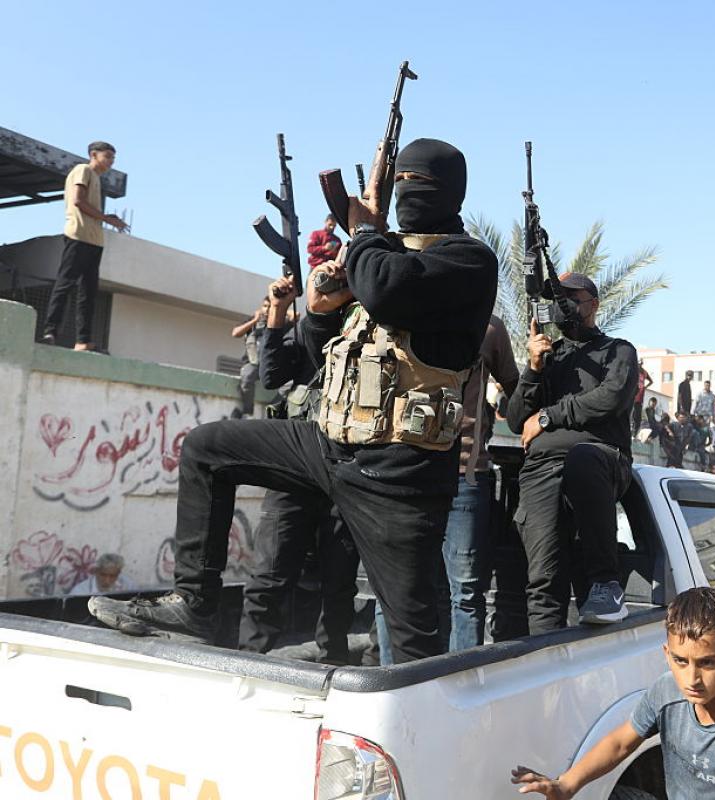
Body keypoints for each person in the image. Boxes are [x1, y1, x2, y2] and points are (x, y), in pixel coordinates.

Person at [88, 138, 498, 664]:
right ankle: (194, 603)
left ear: (451, 192)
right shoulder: (384, 255)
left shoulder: (466, 260)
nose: (404, 192)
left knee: (413, 638)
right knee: (207, 448)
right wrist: (322, 310)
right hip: (329, 445)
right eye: (398, 181)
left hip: (399, 474)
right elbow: (310, 358)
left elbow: (388, 288)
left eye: (416, 183)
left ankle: (425, 710)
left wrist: (365, 234)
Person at [511, 587, 715, 800]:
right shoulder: (665, 693)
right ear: (667, 654)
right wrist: (566, 785)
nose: (692, 678)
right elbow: (620, 742)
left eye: (707, 663)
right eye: (680, 661)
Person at [235, 273, 361, 665]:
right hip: (294, 469)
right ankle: (249, 662)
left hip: (343, 469)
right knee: (270, 572)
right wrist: (277, 310)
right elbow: (272, 375)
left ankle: (333, 660)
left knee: (339, 580)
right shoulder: (309, 327)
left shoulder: (368, 329)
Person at [507, 272, 639, 632]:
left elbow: (610, 397)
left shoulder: (618, 350)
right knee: (544, 581)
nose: (561, 307)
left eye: (570, 299)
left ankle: (605, 585)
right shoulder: (549, 356)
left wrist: (549, 416)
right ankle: (545, 658)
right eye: (556, 300)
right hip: (541, 472)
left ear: (593, 305)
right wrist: (533, 368)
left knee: (582, 457)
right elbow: (517, 419)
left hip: (600, 461)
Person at [438, 314, 519, 651]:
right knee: (399, 590)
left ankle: (461, 678)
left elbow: (517, 395)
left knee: (466, 592)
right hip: (408, 475)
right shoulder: (405, 307)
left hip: (464, 476)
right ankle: (399, 678)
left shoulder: (489, 327)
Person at [41, 141, 129, 351]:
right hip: (78, 236)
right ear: (94, 155)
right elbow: (78, 201)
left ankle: (83, 340)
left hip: (94, 240)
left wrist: (107, 218)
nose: (111, 161)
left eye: (113, 158)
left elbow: (90, 208)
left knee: (88, 292)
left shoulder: (97, 178)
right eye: (107, 156)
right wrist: (107, 219)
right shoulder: (83, 170)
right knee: (65, 284)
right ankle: (50, 332)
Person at [230, 297, 271, 417]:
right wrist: (254, 320)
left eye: (270, 307)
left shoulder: (277, 323)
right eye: (265, 306)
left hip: (268, 366)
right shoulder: (253, 322)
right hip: (253, 364)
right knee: (247, 375)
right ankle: (248, 412)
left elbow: (296, 316)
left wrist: (279, 309)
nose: (267, 309)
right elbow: (235, 333)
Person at [630, 360, 653, 432]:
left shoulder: (642, 372)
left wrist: (645, 387)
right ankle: (633, 428)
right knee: (634, 413)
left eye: (640, 364)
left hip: (639, 395)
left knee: (637, 413)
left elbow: (651, 381)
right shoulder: (635, 371)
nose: (639, 365)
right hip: (635, 394)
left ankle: (635, 429)